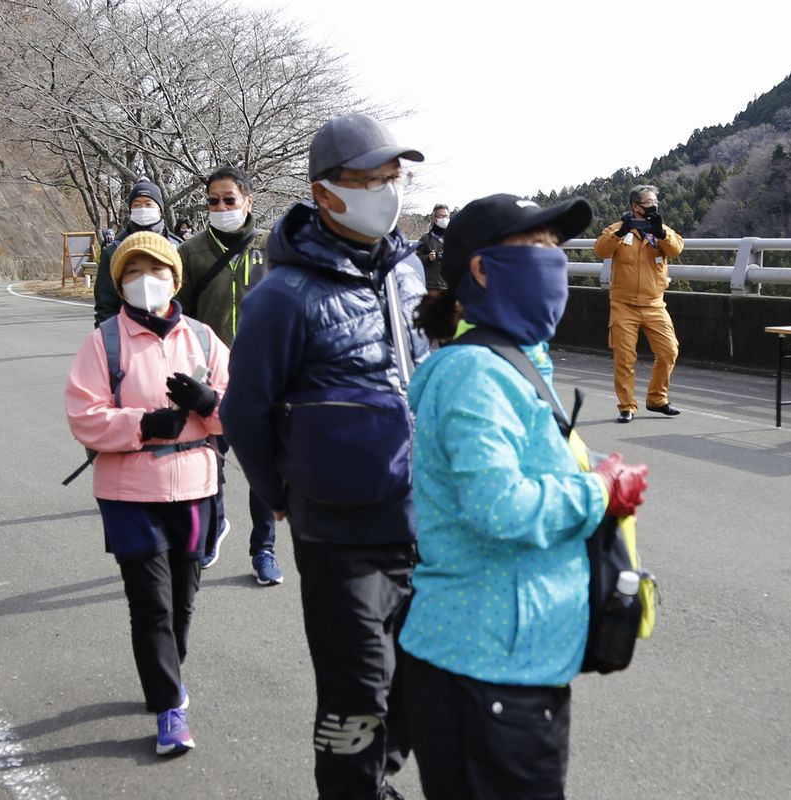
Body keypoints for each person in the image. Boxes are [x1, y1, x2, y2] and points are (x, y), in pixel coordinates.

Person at [400, 193, 650, 798]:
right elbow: (499, 506)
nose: (552, 261)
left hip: (508, 661)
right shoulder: (474, 373)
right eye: (534, 248)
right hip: (486, 669)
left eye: (555, 248)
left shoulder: (511, 362)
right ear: (481, 269)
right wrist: (598, 490)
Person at [220, 113, 428, 800]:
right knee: (357, 691)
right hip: (338, 530)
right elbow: (243, 410)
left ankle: (378, 786)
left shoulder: (409, 271)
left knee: (416, 679)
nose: (386, 193)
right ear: (324, 193)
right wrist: (281, 494)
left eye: (392, 178)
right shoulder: (282, 296)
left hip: (424, 520)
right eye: (367, 181)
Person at [65, 231, 230, 757]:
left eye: (155, 270)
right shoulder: (104, 342)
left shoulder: (204, 339)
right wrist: (144, 423)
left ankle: (166, 675)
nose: (144, 281)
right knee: (152, 606)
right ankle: (169, 709)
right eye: (131, 272)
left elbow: (244, 409)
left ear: (174, 278)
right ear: (119, 282)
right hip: (128, 491)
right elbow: (83, 416)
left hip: (197, 487)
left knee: (183, 602)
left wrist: (210, 402)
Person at [175, 166, 280, 585]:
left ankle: (264, 551)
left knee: (263, 473)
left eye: (229, 200)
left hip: (262, 380)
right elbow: (177, 319)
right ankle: (215, 525)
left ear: (248, 201)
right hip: (209, 382)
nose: (220, 208)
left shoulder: (272, 249)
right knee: (209, 465)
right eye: (213, 201)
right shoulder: (191, 252)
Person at [593, 184, 685, 423]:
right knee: (624, 357)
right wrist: (621, 231)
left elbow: (676, 250)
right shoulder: (617, 229)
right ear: (635, 206)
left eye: (656, 202)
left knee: (669, 351)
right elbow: (601, 250)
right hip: (623, 305)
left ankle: (657, 399)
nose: (653, 206)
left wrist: (661, 233)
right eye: (648, 203)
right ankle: (626, 406)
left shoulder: (660, 229)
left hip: (655, 304)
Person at [93, 178, 184, 325]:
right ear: (130, 210)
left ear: (160, 209)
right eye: (137, 205)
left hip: (172, 331)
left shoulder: (178, 247)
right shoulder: (114, 250)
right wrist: (108, 338)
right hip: (127, 332)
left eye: (148, 204)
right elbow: (105, 305)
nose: (143, 209)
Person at [414, 203, 450, 291]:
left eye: (446, 216)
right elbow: (416, 260)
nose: (444, 219)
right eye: (441, 216)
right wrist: (428, 258)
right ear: (434, 218)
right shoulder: (425, 238)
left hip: (448, 286)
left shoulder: (453, 238)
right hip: (429, 286)